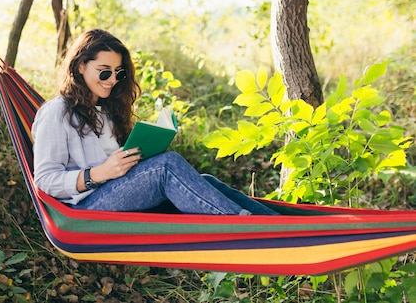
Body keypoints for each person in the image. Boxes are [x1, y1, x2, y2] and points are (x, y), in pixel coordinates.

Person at [32, 28, 279, 215]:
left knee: (206, 181)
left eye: (118, 72)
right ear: (81, 65)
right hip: (86, 208)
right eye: (104, 71)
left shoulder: (105, 108)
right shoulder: (57, 112)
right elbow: (44, 181)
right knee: (166, 166)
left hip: (113, 190)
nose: (112, 79)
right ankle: (247, 228)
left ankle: (281, 225)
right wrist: (98, 173)